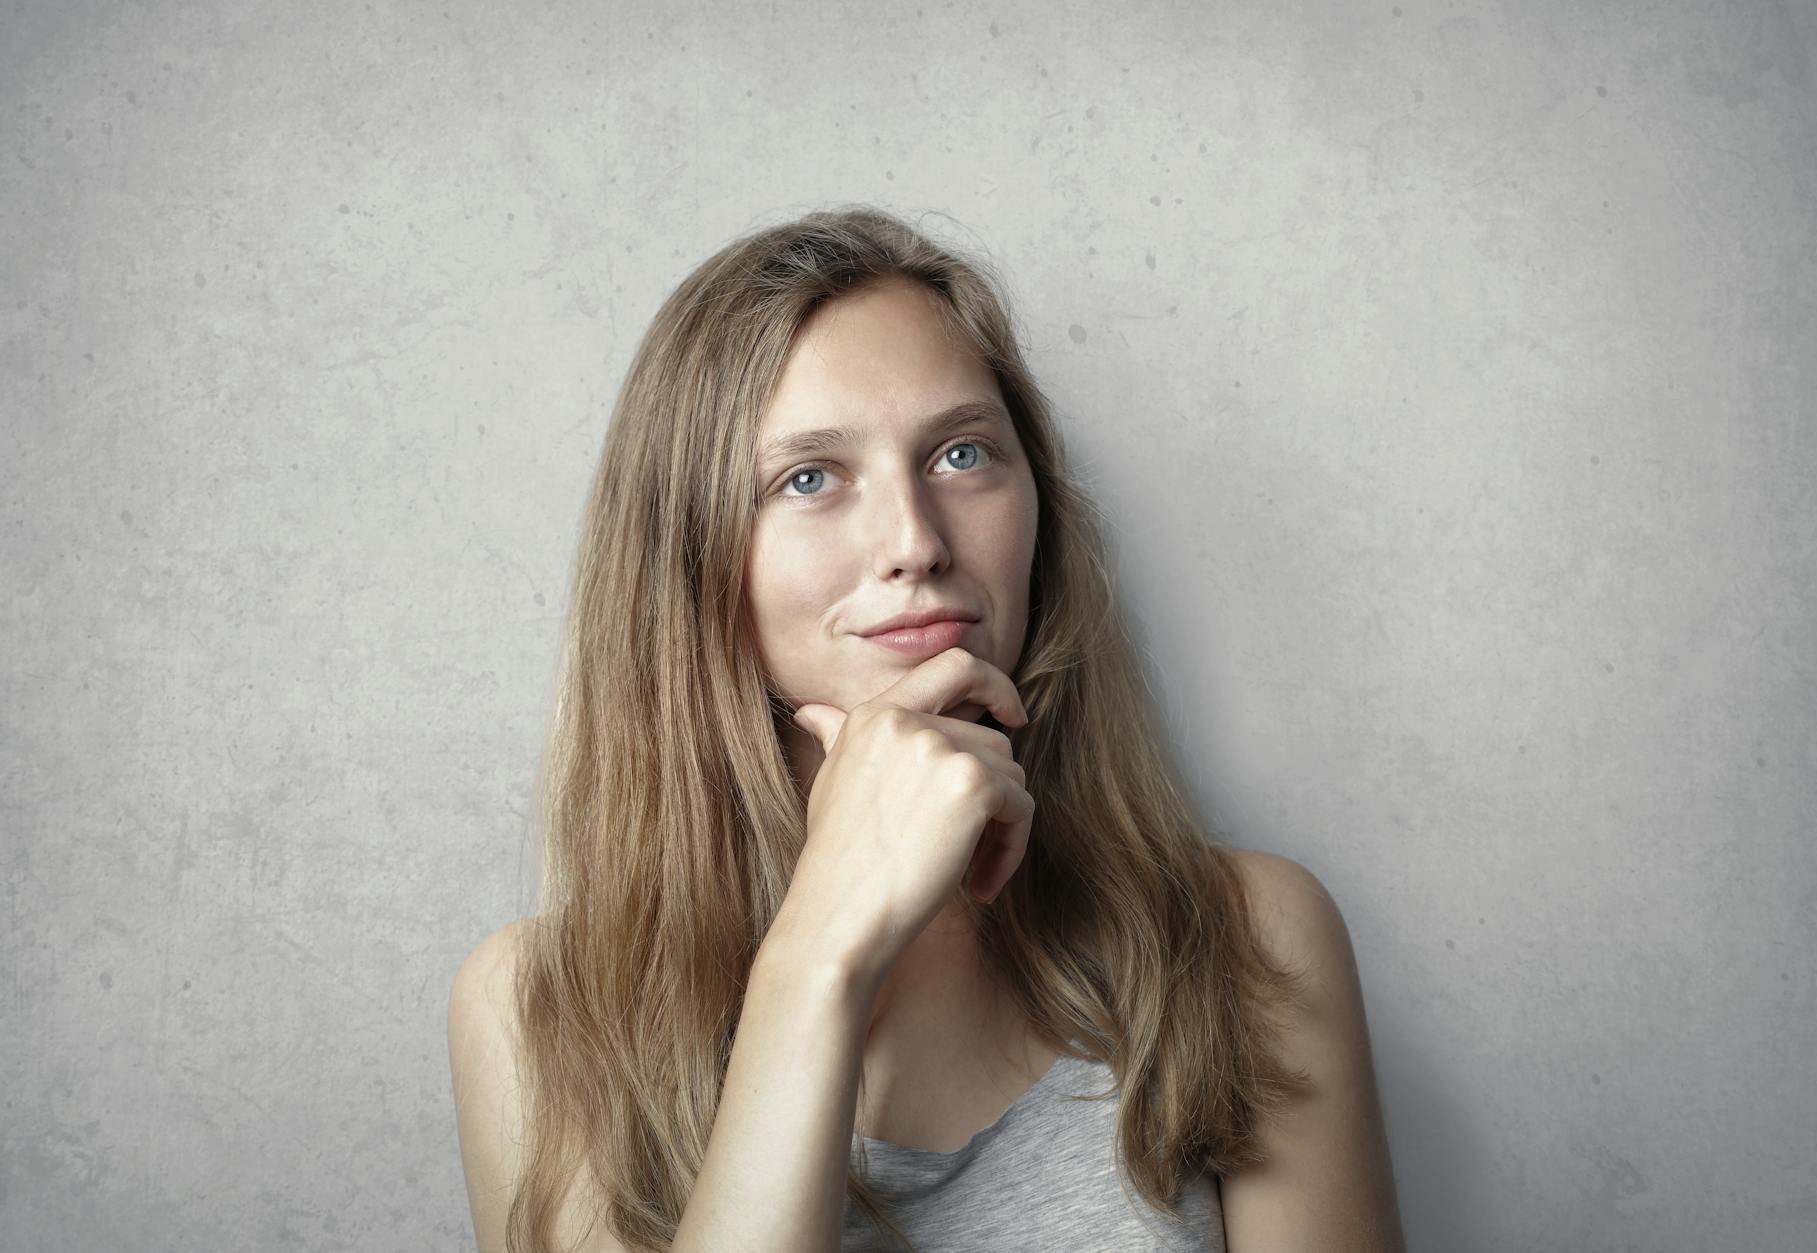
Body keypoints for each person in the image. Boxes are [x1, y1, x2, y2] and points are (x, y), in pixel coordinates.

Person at [448, 205, 1406, 1252]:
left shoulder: (1245, 938)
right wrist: (821, 951)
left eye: (960, 454)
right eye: (808, 477)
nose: (913, 540)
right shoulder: (543, 1010)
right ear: (689, 558)